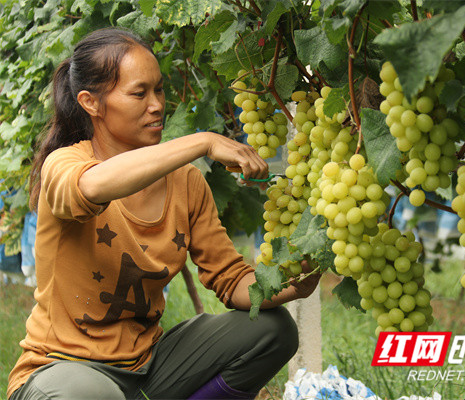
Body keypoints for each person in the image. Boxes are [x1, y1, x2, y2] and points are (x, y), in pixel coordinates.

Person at [7, 27, 320, 400]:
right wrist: (201, 141)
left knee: (273, 331)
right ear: (91, 103)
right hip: (62, 370)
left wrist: (286, 287)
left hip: (149, 365)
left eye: (159, 89)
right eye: (139, 93)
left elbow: (230, 279)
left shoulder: (185, 182)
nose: (156, 104)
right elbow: (93, 186)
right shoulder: (65, 165)